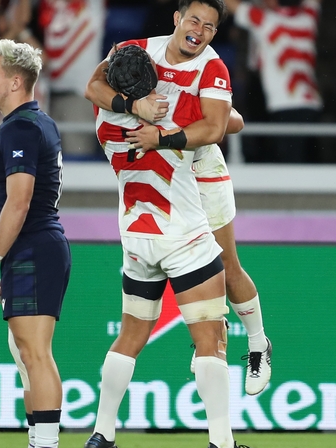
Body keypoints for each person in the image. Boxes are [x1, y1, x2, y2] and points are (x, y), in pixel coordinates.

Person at [89, 0, 273, 398]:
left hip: (201, 166)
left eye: (209, 26)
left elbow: (222, 126)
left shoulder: (212, 66)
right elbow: (93, 87)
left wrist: (168, 130)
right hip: (164, 170)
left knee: (225, 262)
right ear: (177, 19)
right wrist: (133, 105)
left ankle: (258, 342)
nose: (199, 30)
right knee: (196, 265)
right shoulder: (137, 50)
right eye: (194, 20)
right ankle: (210, 334)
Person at [0, 39, 71, 448]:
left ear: (15, 81)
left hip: (33, 246)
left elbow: (19, 200)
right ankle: (37, 441)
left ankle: (45, 445)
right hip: (34, 246)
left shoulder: (21, 127)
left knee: (35, 354)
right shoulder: (36, 122)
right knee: (25, 356)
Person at [224, 0, 322, 163]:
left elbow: (230, 4)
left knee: (290, 170)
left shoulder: (264, 20)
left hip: (284, 105)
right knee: (312, 168)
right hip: (311, 105)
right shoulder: (308, 16)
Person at [38, 0, 105, 159]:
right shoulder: (48, 5)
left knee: (78, 163)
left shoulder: (91, 5)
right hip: (48, 94)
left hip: (79, 95)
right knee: (48, 165)